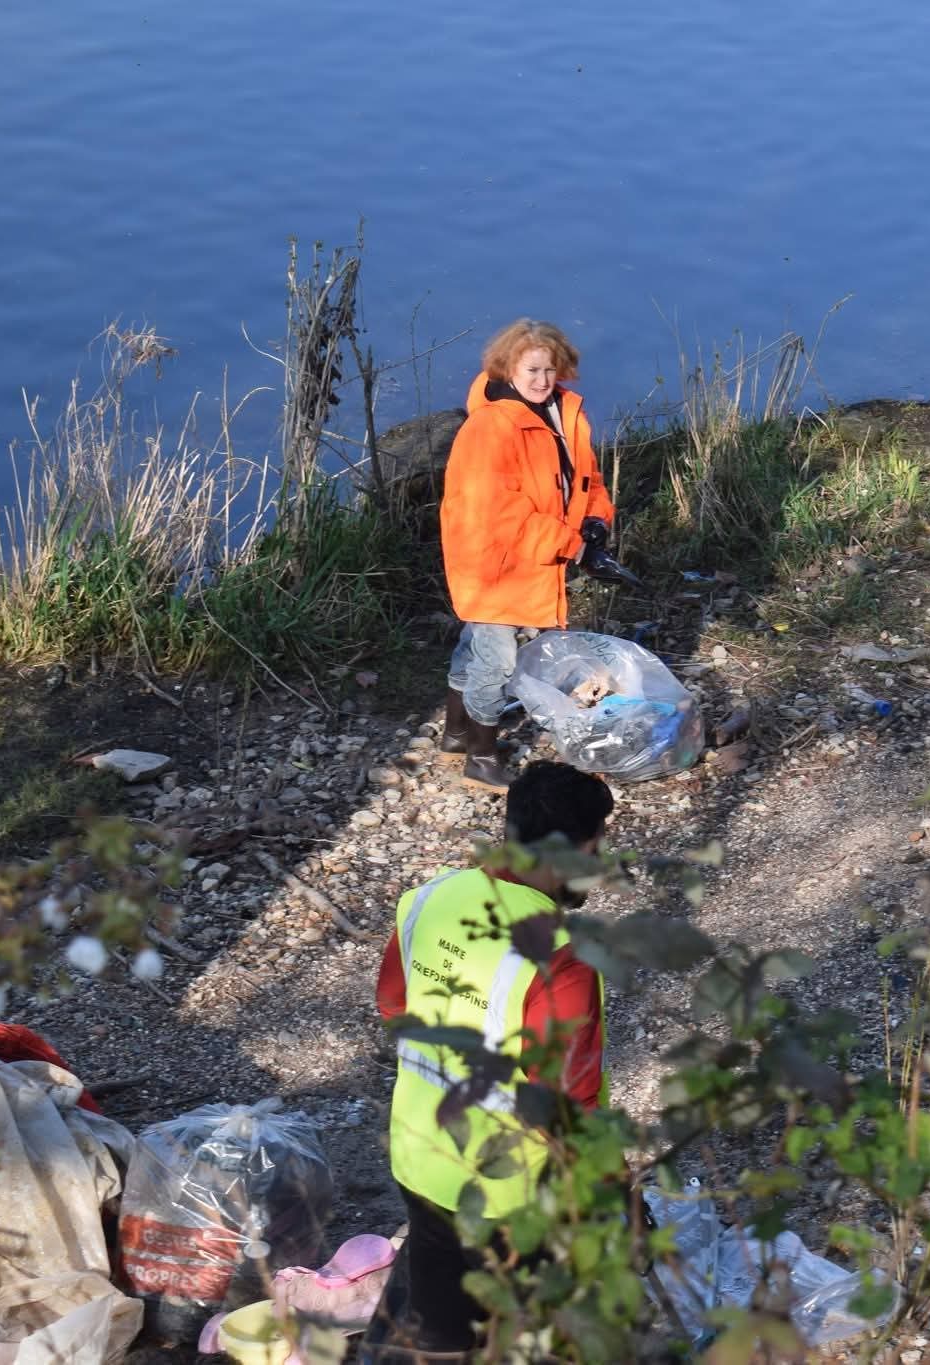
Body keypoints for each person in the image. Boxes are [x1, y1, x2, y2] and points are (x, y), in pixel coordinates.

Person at [365, 760, 614, 1359]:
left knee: (436, 1314)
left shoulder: (430, 899)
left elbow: (393, 1004)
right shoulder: (562, 965)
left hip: (418, 1155)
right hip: (506, 1196)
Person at [439, 319, 620, 790]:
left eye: (550, 370)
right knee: (496, 660)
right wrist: (575, 548)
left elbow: (588, 481)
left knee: (476, 644)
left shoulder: (566, 413)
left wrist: (596, 522)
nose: (542, 381)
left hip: (537, 558)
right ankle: (481, 756)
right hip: (493, 563)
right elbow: (505, 514)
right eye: (532, 370)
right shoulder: (490, 428)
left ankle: (456, 732)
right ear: (507, 368)